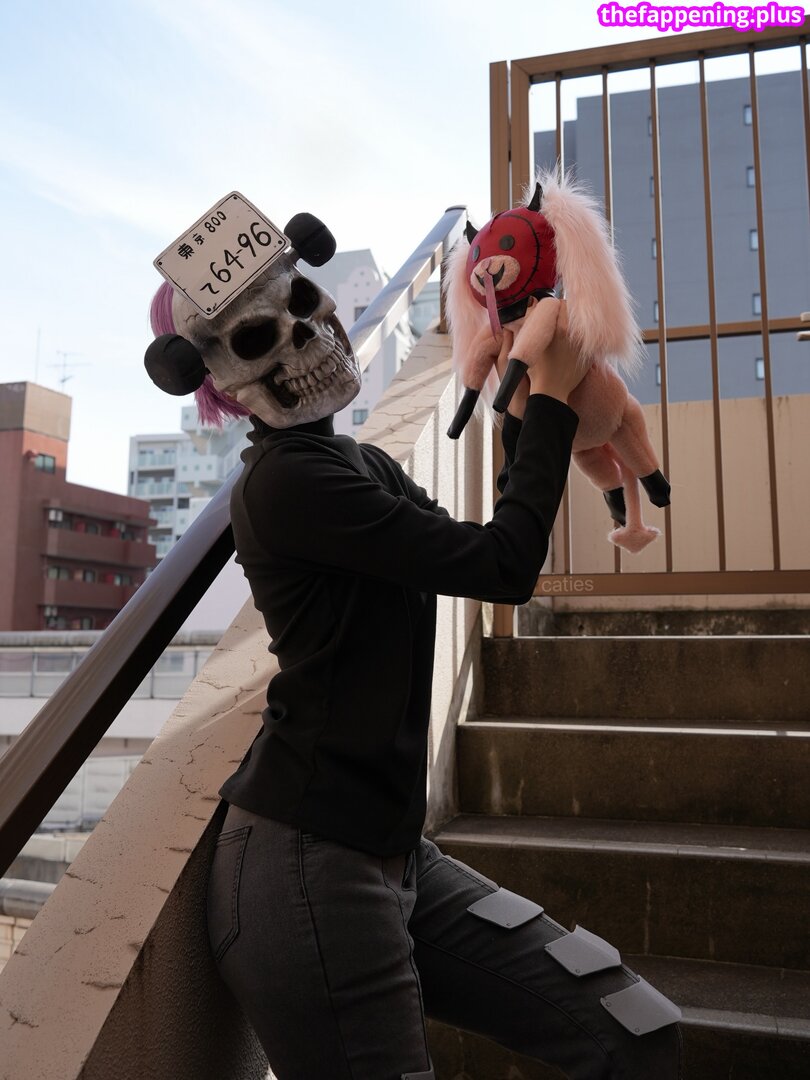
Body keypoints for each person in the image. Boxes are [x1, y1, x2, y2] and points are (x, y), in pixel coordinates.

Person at [145, 212, 682, 1080]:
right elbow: (506, 567)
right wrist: (548, 398)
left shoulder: (360, 466)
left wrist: (525, 396)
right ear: (216, 380)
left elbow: (487, 544)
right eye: (255, 337)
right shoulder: (286, 485)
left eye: (303, 303)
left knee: (633, 1030)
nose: (305, 336)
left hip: (395, 855)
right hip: (305, 868)